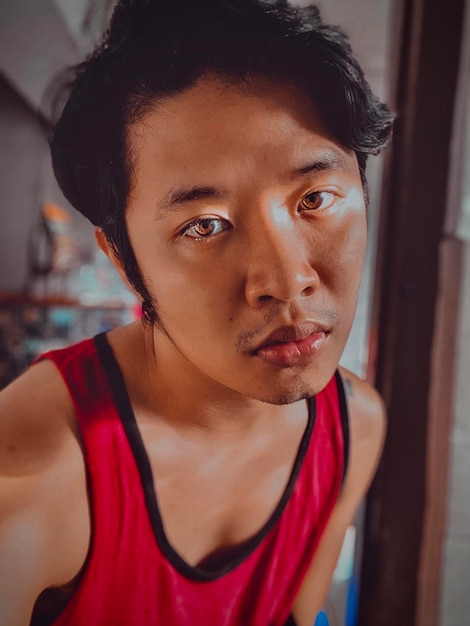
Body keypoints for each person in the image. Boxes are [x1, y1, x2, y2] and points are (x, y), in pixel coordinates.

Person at [0, 0, 393, 624]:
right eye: (204, 225)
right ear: (124, 261)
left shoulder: (354, 426)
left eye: (316, 197)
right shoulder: (30, 482)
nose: (289, 280)